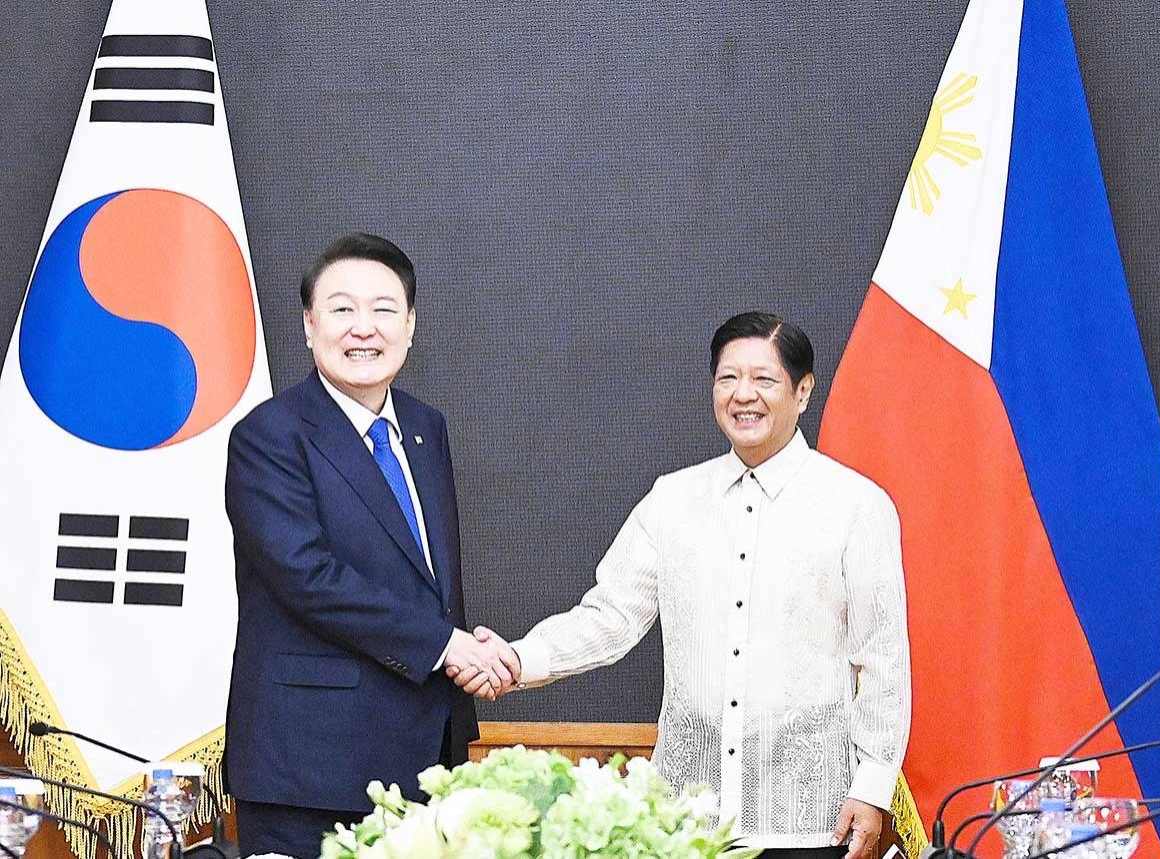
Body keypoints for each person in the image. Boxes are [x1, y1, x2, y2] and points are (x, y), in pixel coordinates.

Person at [452, 311, 910, 859]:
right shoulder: (673, 500)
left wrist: (874, 783)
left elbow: (882, 658)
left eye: (764, 379)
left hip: (809, 823)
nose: (744, 394)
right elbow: (610, 616)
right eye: (728, 378)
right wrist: (515, 661)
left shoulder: (856, 506)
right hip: (687, 819)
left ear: (803, 389)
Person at [223, 233, 520, 858]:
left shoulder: (423, 427)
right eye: (342, 309)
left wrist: (461, 648)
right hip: (309, 769)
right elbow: (308, 577)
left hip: (425, 757)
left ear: (410, 326)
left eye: (385, 310)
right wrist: (446, 646)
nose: (365, 328)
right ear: (309, 325)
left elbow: (428, 579)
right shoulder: (270, 436)